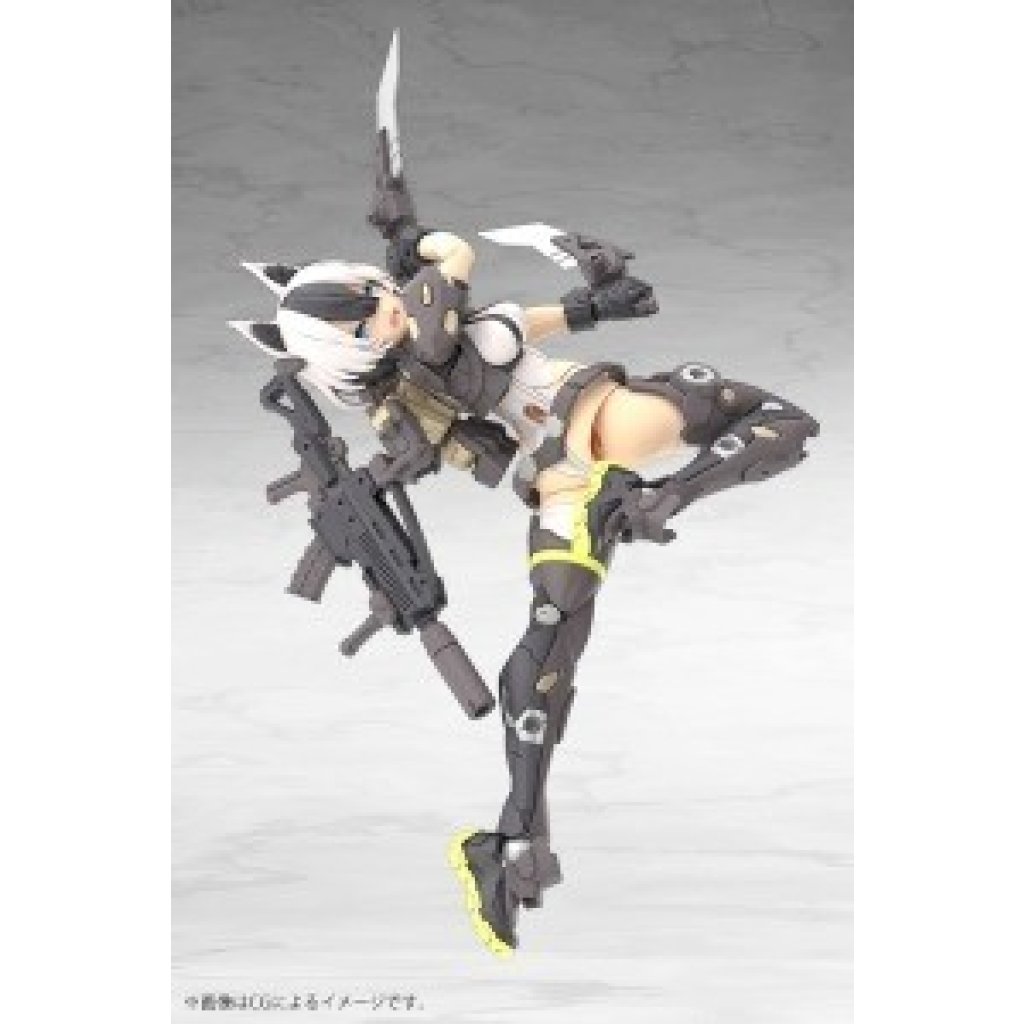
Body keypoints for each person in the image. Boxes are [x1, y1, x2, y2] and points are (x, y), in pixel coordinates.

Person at [231, 223, 818, 957]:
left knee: (548, 642)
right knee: (770, 419)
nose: (385, 307)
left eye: (374, 297)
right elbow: (455, 272)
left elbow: (509, 326)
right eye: (362, 320)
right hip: (590, 434)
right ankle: (657, 499)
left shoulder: (433, 347)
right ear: (345, 351)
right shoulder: (427, 348)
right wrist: (435, 251)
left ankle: (513, 842)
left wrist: (591, 307)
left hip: (563, 483)